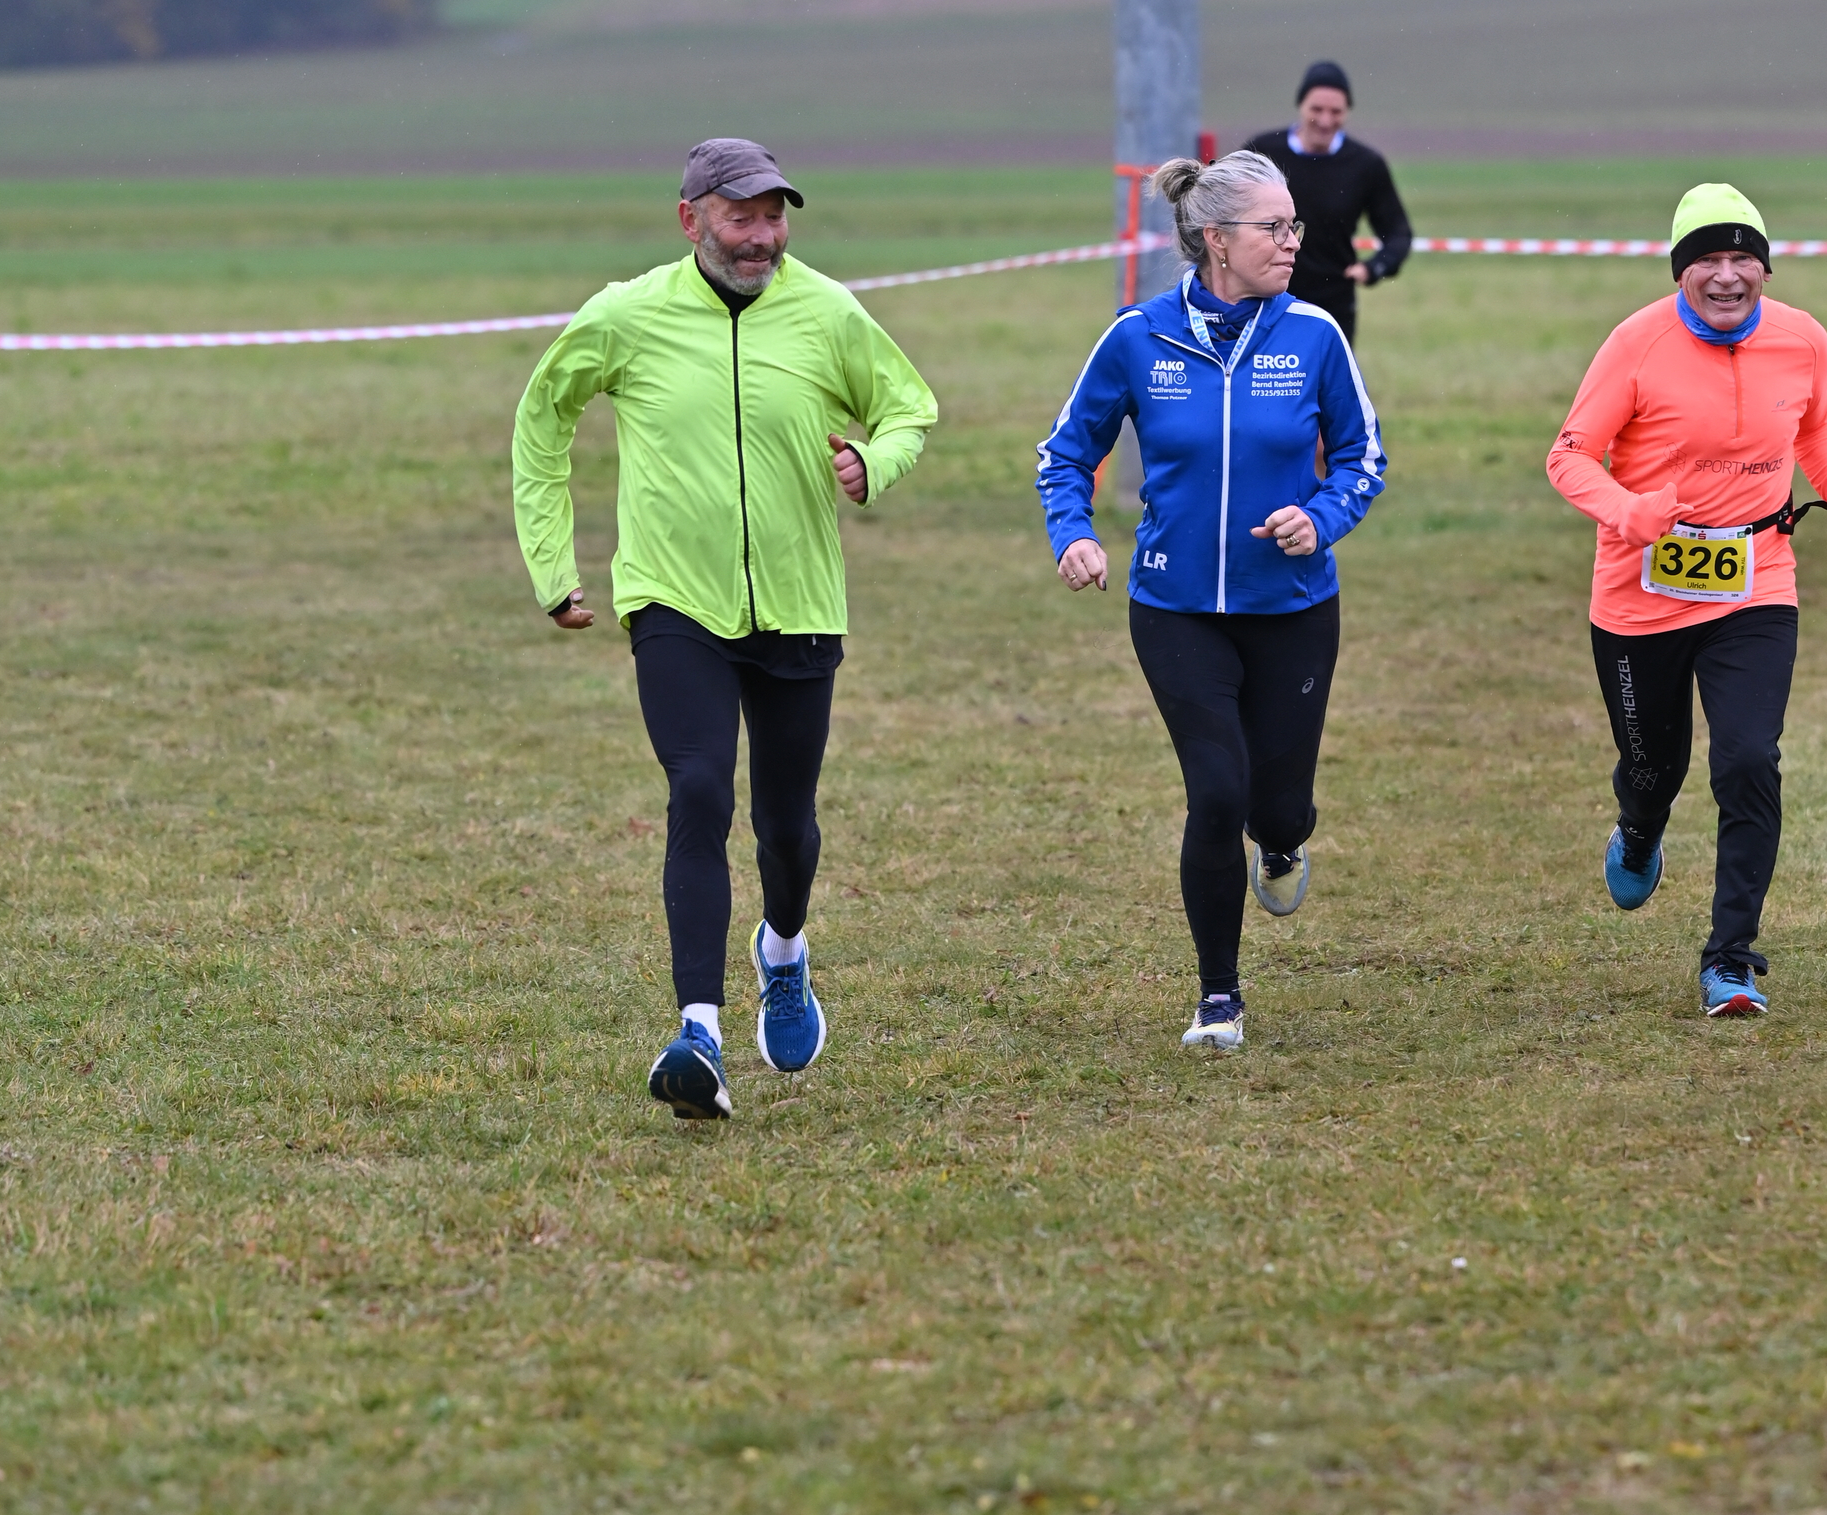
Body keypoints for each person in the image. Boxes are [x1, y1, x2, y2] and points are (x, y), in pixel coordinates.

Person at [512, 137, 937, 1120]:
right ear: (690, 219)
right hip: (673, 598)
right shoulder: (626, 315)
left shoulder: (826, 310)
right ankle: (697, 1032)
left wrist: (874, 463)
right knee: (698, 788)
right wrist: (551, 567)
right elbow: (542, 419)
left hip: (798, 600)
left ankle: (782, 951)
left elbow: (909, 407)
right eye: (740, 216)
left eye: (773, 216)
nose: (761, 237)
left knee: (785, 826)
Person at [1036, 147, 1386, 1050]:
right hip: (1175, 607)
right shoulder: (1137, 337)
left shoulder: (1314, 335)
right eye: (1276, 227)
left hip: (1294, 609)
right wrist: (1073, 533)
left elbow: (1364, 458)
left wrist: (1321, 518)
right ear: (1216, 240)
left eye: (1295, 225)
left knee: (1277, 807)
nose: (1294, 240)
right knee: (1217, 793)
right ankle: (1219, 998)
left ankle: (1285, 838)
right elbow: (1065, 453)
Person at [1547, 183, 1827, 1021]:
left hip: (1756, 580)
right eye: (1708, 259)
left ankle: (1730, 960)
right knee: (1652, 772)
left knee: (1747, 760)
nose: (1728, 276)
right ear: (1681, 271)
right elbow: (1569, 457)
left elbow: (1818, 430)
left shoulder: (1802, 339)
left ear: (1766, 268)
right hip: (1641, 593)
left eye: (1744, 258)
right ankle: (1639, 829)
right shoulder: (1636, 344)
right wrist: (1627, 512)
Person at [1247, 59, 1412, 336]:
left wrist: (1374, 268)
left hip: (1332, 306)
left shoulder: (1365, 164)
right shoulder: (1263, 152)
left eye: (1336, 112)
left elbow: (1398, 233)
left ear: (1347, 112)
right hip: (1264, 300)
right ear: (1300, 106)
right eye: (1317, 109)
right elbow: (1227, 214)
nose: (1325, 121)